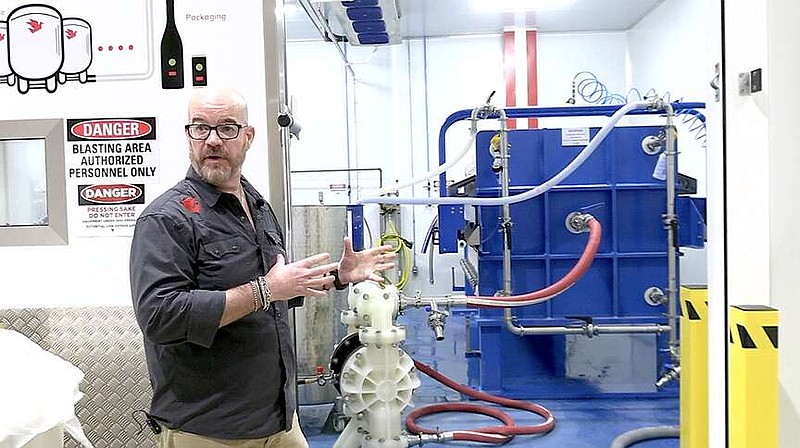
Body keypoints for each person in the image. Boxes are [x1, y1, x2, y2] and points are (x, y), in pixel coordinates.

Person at [129, 87, 395, 448]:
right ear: (188, 135)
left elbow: (278, 289)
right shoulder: (167, 219)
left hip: (279, 420)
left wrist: (335, 277)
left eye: (226, 128)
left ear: (248, 136)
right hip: (211, 429)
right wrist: (265, 291)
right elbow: (160, 316)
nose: (212, 140)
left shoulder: (258, 207)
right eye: (200, 128)